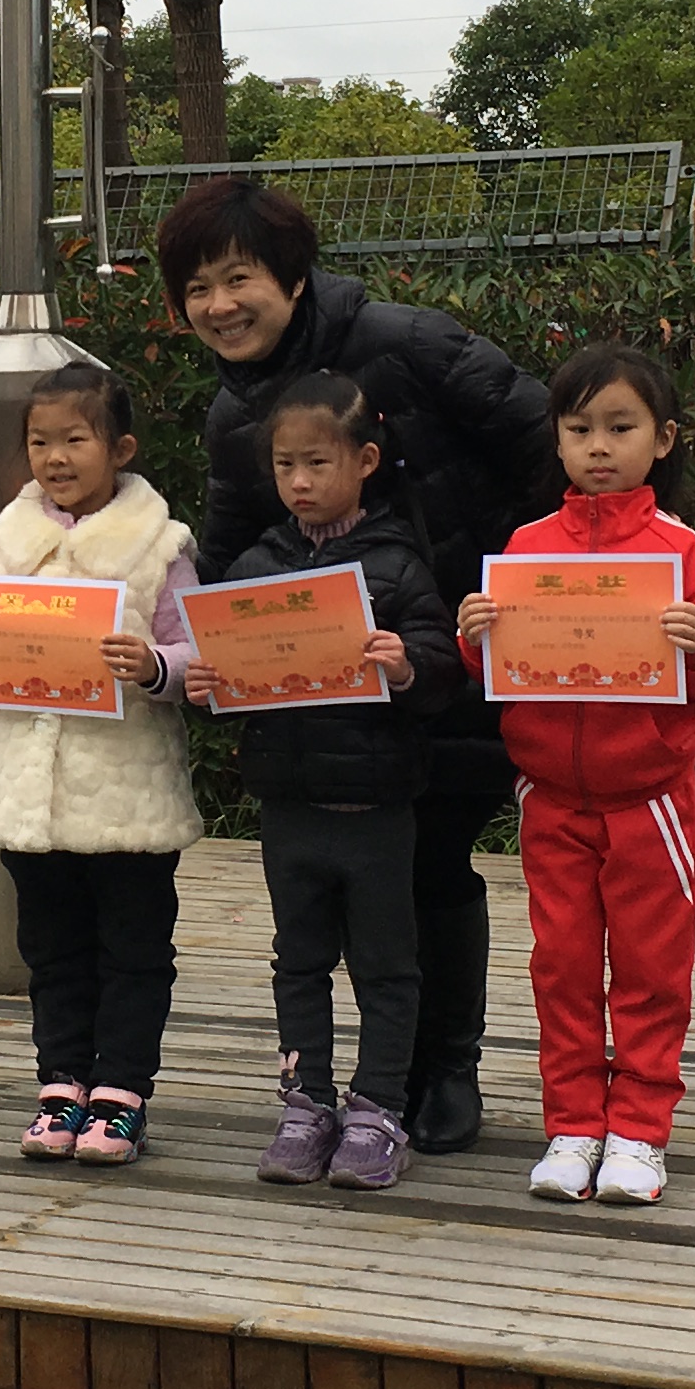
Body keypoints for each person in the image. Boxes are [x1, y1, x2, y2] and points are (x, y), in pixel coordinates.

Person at [160, 174, 558, 1154]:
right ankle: (383, 1079)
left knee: (435, 860)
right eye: (197, 288)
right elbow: (229, 564)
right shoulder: (234, 418)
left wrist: (517, 590)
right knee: (367, 886)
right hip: (336, 703)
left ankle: (444, 1068)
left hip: (456, 647)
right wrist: (217, 657)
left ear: (293, 278)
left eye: (239, 278)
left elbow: (550, 439)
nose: (220, 305)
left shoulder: (408, 342)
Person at [452, 344, 695, 1207]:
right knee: (564, 968)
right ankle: (574, 1126)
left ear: (664, 439)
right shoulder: (527, 547)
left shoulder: (679, 549)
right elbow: (500, 673)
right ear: (557, 439)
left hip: (650, 800)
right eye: (579, 429)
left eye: (621, 427)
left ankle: (641, 1132)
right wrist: (475, 636)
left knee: (652, 969)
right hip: (550, 798)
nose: (599, 447)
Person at [0, 365, 204, 1168]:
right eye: (39, 442)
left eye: (75, 439)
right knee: (51, 948)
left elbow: (196, 650)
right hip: (27, 790)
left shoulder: (161, 543)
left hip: (126, 789)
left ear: (122, 448)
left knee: (134, 948)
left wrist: (155, 666)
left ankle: (122, 1092)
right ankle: (61, 1083)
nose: (55, 457)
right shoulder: (9, 536)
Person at [183, 372, 465, 1193]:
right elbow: (228, 677)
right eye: (285, 466)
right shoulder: (256, 564)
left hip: (377, 807)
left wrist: (408, 665)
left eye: (318, 463)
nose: (300, 482)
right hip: (289, 803)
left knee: (386, 966)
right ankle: (305, 1104)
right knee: (298, 961)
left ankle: (378, 1110)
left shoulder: (397, 564)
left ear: (365, 460)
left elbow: (443, 668)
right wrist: (208, 687)